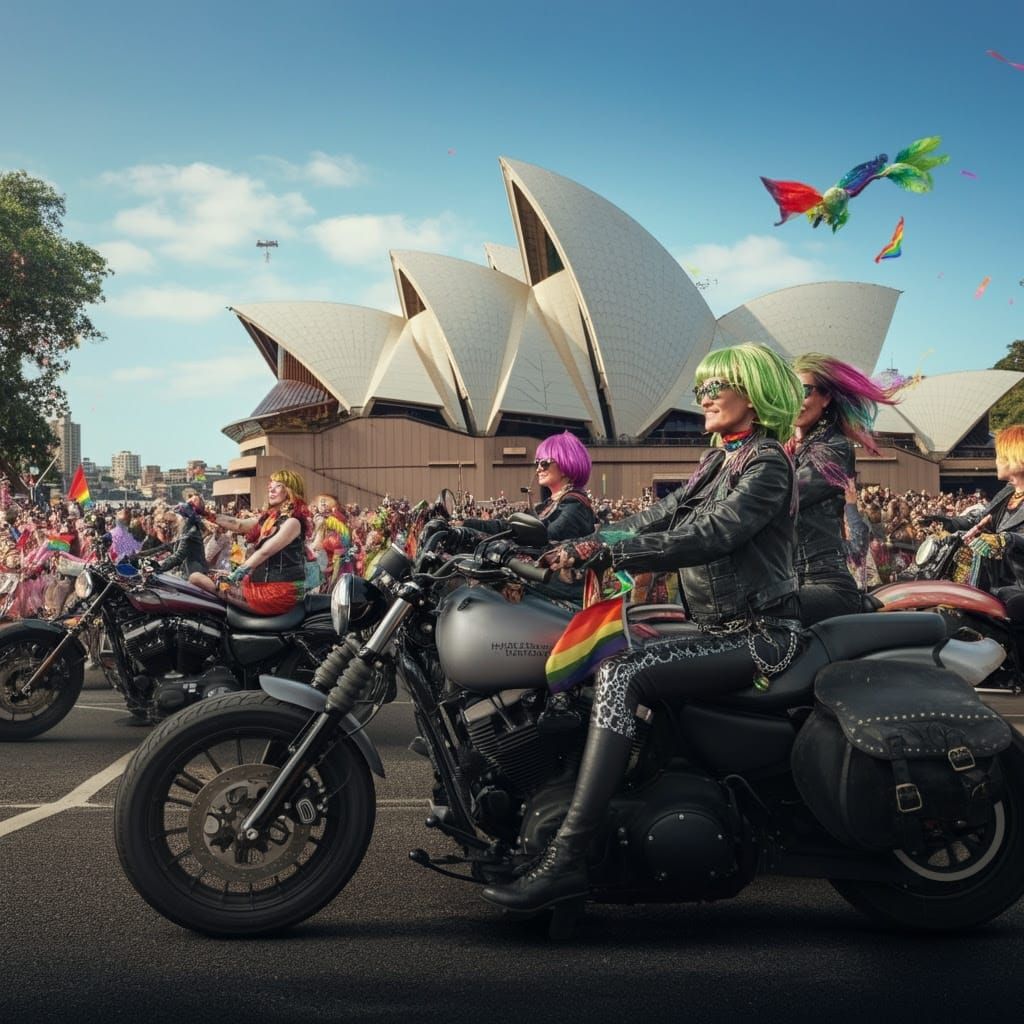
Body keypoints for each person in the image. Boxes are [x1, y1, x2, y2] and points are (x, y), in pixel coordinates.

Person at [481, 343, 804, 914]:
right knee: (612, 641)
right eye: (701, 387)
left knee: (622, 673)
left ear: (752, 397)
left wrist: (609, 556)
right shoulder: (718, 461)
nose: (703, 396)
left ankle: (569, 857)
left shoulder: (768, 461)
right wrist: (577, 545)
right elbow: (656, 516)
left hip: (757, 633)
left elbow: (712, 534)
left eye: (716, 386)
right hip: (713, 626)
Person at [788, 353, 899, 625]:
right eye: (787, 391)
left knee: (756, 610)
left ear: (826, 398)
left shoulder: (834, 448)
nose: (794, 400)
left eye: (803, 391)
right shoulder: (788, 448)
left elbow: (780, 497)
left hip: (820, 582)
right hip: (790, 580)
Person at [920, 425, 1024, 615]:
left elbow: (1014, 538)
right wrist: (949, 522)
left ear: (1017, 458)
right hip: (997, 576)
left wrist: (1009, 539)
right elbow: (980, 518)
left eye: (1001, 456)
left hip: (1017, 581)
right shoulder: (1008, 492)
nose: (997, 461)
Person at [190, 470, 312, 615]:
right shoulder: (269, 520)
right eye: (270, 486)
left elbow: (265, 551)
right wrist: (204, 513)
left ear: (290, 491)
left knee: (196, 578)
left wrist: (236, 574)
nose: (271, 489)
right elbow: (238, 524)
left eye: (278, 486)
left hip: (278, 592)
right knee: (206, 575)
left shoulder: (292, 522)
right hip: (262, 586)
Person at [462, 431, 597, 544]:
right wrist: (467, 524)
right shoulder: (552, 503)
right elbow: (510, 526)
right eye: (537, 463)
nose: (538, 469)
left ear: (565, 466)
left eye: (544, 463)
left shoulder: (574, 504)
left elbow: (545, 538)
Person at [156, 502, 210, 578]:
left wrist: (160, 567)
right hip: (187, 571)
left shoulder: (190, 532)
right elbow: (169, 547)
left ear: (184, 518)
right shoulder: (184, 530)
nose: (167, 524)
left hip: (194, 574)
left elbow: (179, 555)